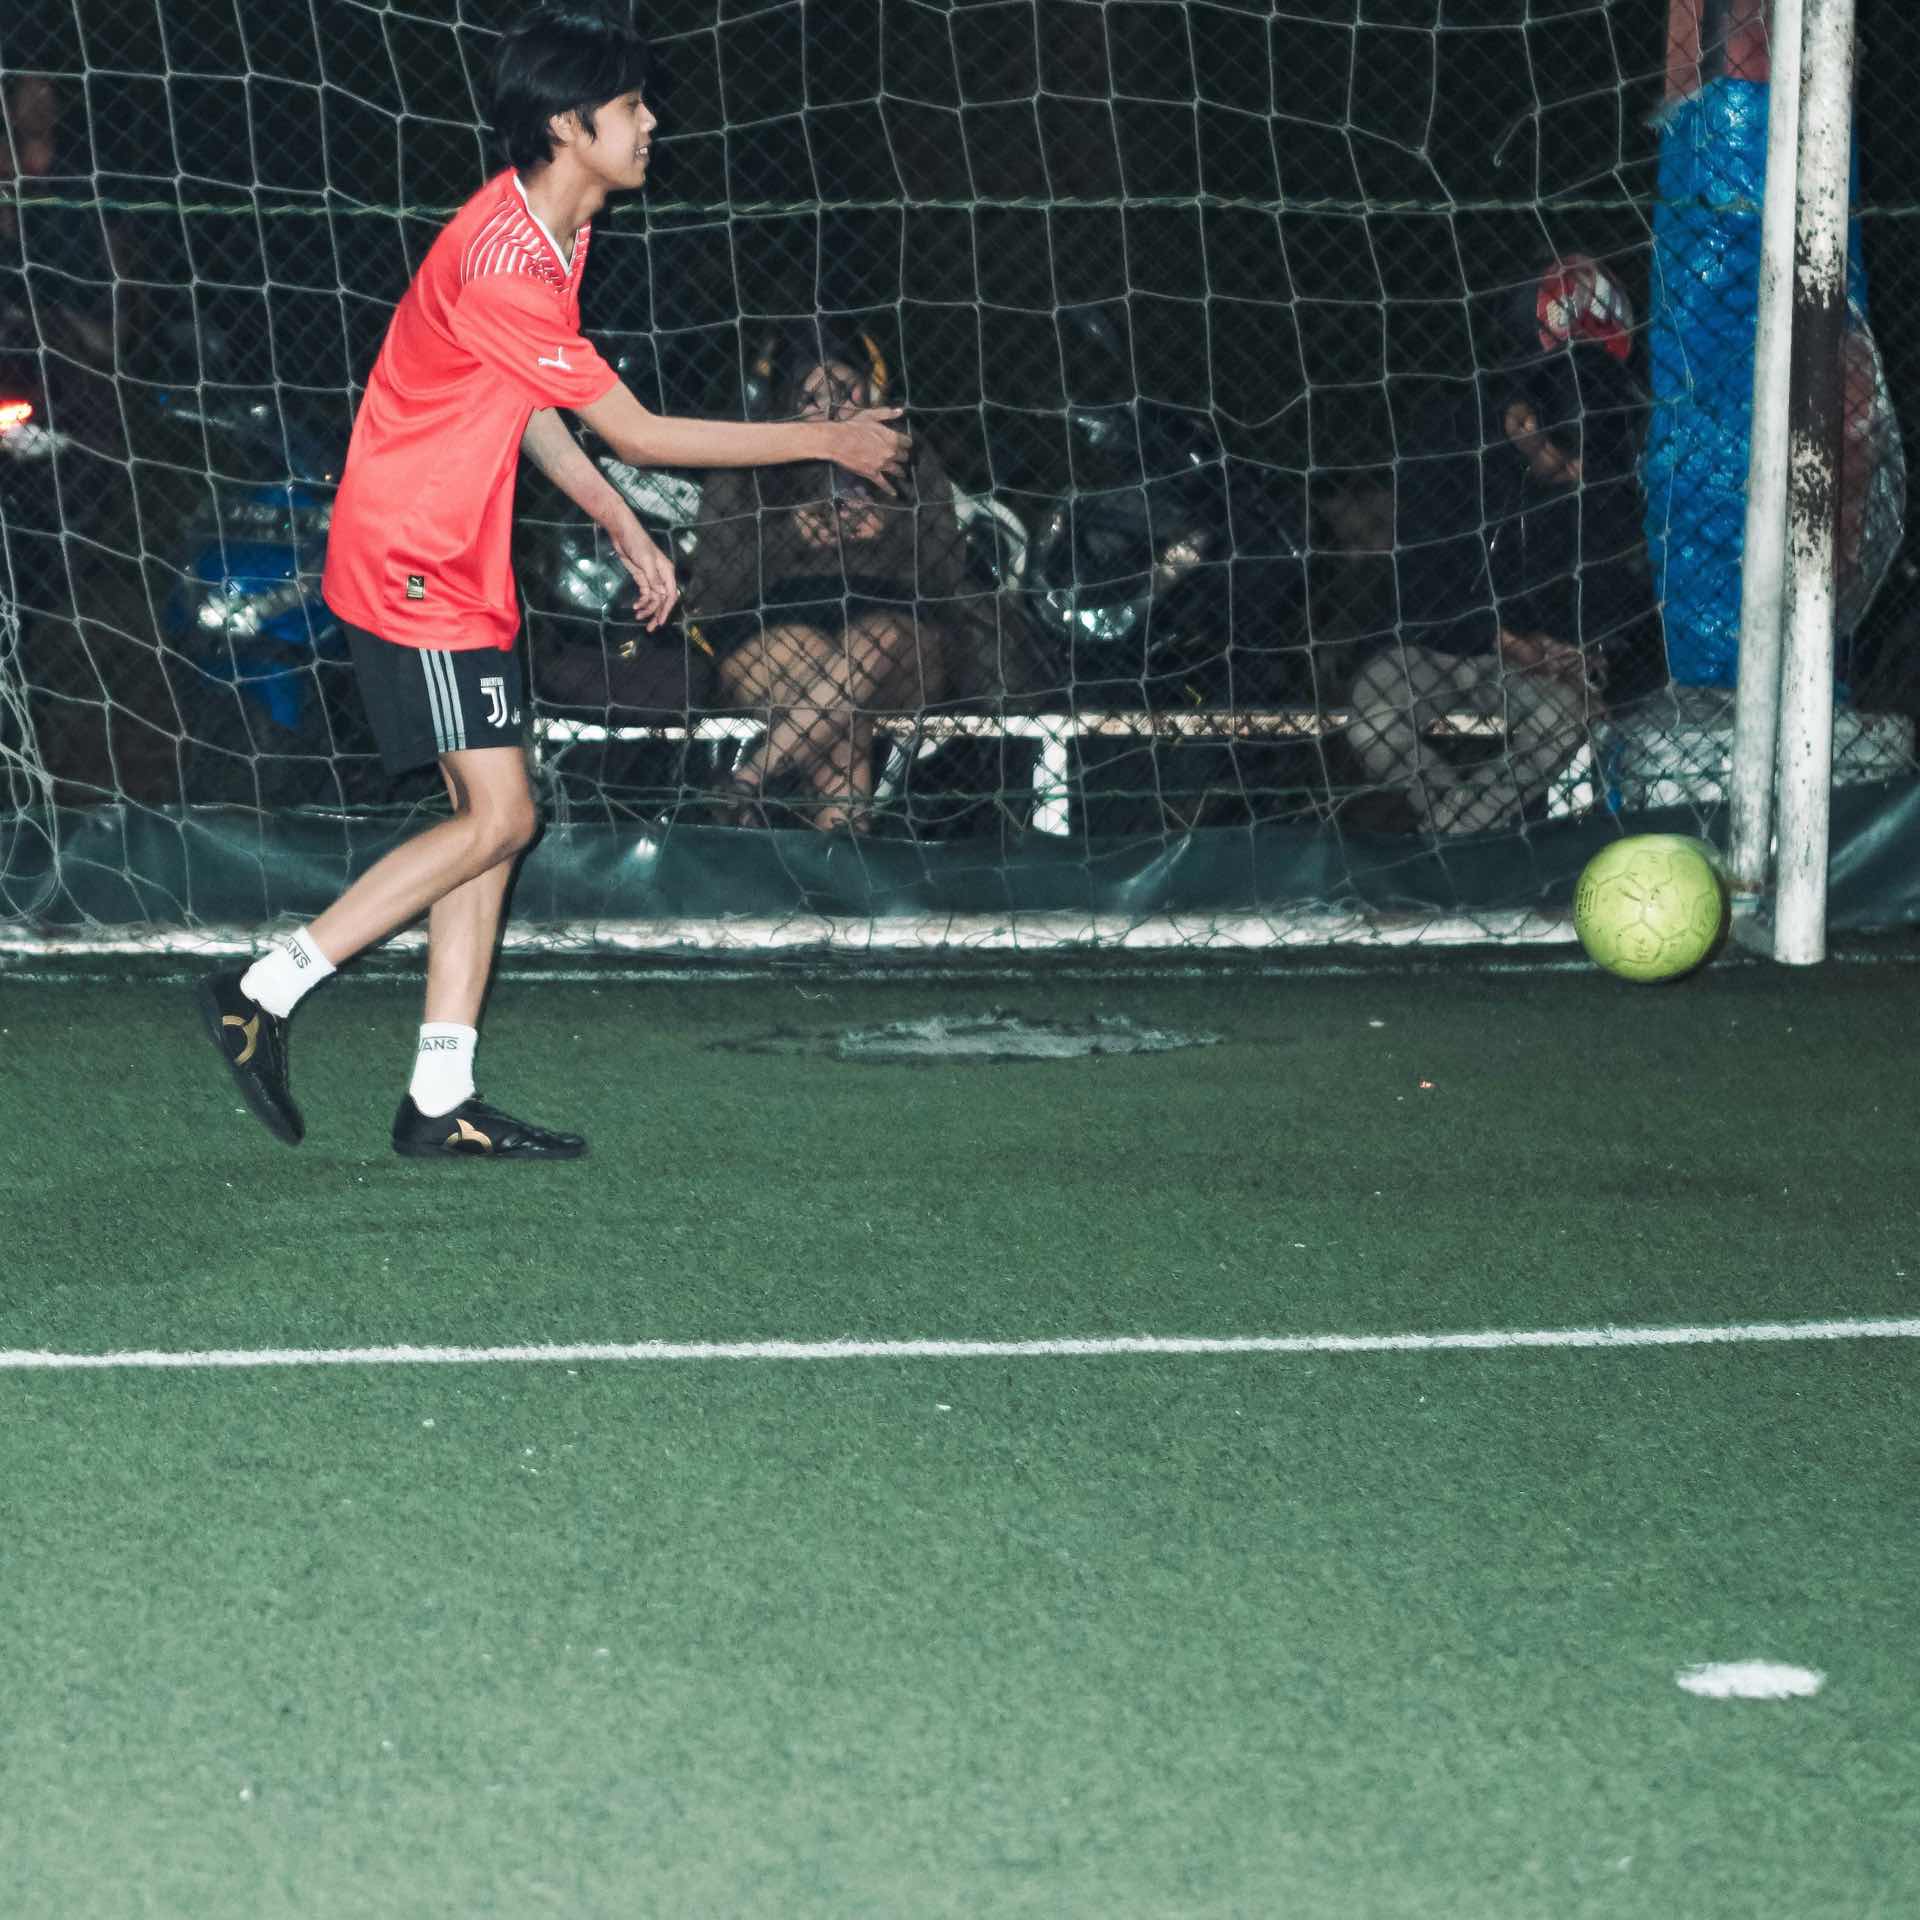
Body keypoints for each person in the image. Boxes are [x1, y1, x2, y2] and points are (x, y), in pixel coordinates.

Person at [193, 7, 908, 1159]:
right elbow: (639, 430)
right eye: (631, 106)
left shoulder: (553, 233)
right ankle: (260, 991)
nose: (652, 122)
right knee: (504, 815)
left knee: (488, 825)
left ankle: (440, 1096)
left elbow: (525, 401)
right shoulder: (506, 263)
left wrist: (616, 518)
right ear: (571, 126)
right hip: (410, 559)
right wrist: (828, 441)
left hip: (460, 553)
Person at [683, 329, 1005, 831]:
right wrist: (790, 534)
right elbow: (714, 591)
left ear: (873, 390)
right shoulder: (748, 461)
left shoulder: (908, 453)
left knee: (870, 643)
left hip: (896, 643)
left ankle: (747, 780)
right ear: (785, 405)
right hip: (778, 635)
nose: (832, 410)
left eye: (846, 392)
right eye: (811, 399)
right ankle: (841, 856)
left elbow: (946, 578)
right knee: (835, 690)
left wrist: (888, 530)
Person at [1347, 343, 1661, 834]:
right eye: (1567, 460)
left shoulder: (1588, 476)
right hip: (1430, 647)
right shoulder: (1446, 445)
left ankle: (1449, 835)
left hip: (1519, 665)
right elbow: (1423, 591)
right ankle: (1455, 827)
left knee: (1564, 722)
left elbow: (1606, 583)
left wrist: (1580, 650)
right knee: (1375, 722)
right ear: (1526, 426)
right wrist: (1511, 642)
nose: (1577, 474)